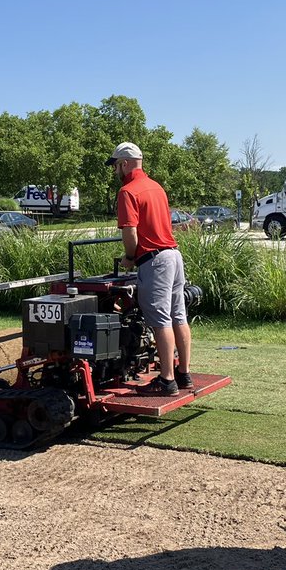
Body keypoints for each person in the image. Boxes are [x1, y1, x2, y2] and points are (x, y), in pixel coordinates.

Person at [109, 141, 192, 396]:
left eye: (115, 166)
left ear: (124, 164)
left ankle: (167, 380)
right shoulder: (156, 187)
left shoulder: (128, 191)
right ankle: (183, 373)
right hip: (174, 256)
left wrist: (129, 257)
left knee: (160, 320)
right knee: (178, 315)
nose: (115, 172)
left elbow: (130, 233)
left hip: (154, 260)